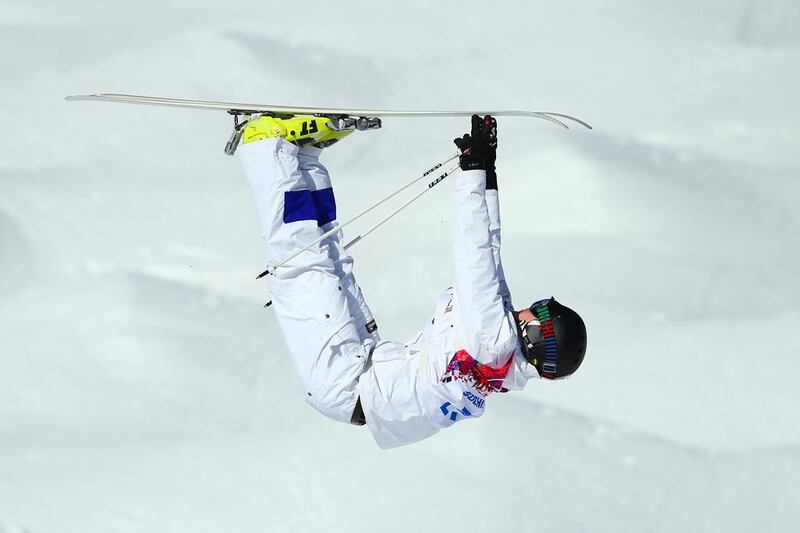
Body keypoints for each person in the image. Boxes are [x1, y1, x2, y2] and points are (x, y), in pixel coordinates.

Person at [238, 114, 587, 449]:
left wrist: (472, 174)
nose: (532, 306)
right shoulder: (499, 356)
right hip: (367, 367)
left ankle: (265, 147)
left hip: (344, 380)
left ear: (538, 336)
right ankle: (303, 157)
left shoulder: (492, 342)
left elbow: (474, 257)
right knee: (330, 255)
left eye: (539, 311)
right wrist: (487, 172)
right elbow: (491, 250)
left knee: (302, 265)